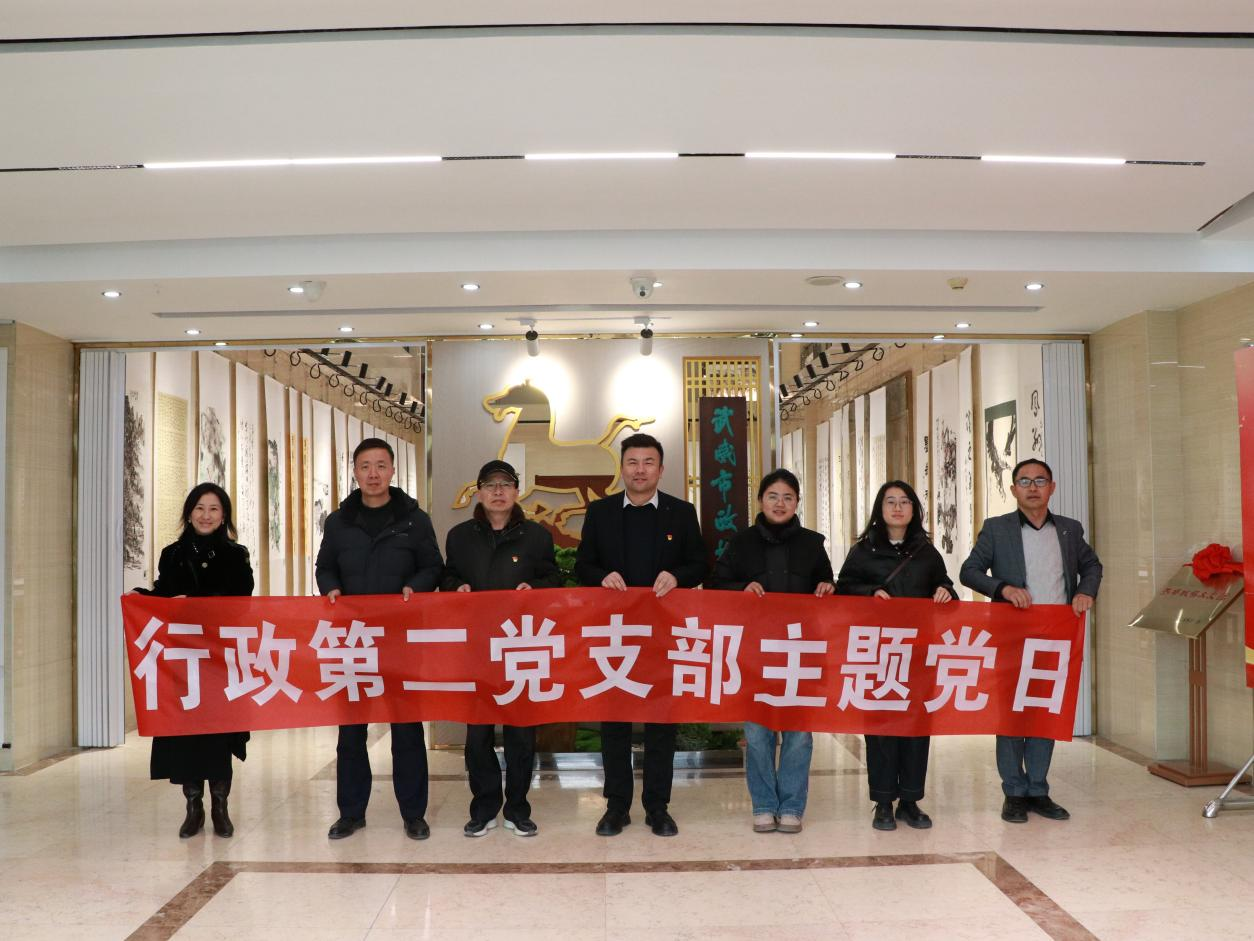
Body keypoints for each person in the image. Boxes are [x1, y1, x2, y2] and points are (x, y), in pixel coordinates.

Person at [575, 432, 708, 837]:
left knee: (660, 721)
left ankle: (657, 807)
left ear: (661, 469)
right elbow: (583, 565)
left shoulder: (681, 513)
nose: (640, 470)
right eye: (632, 462)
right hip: (614, 635)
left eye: (648, 462)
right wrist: (601, 576)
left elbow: (700, 563)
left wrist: (678, 576)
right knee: (614, 721)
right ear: (622, 468)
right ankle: (616, 806)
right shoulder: (600, 512)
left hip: (664, 634)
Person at [960, 457, 1102, 824]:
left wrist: (1085, 591)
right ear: (1013, 490)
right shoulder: (997, 529)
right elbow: (969, 571)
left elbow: (1092, 566)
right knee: (1011, 715)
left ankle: (1038, 789)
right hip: (1011, 636)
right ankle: (1014, 791)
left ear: (1052, 488)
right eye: (1024, 481)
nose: (1033, 487)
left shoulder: (1069, 529)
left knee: (1043, 713)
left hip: (1055, 638)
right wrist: (1002, 589)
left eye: (1040, 480)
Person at [315, 437, 443, 841]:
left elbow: (433, 566)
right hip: (352, 640)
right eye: (365, 466)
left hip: (401, 639)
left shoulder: (414, 519)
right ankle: (351, 813)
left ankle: (414, 814)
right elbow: (324, 567)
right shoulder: (339, 522)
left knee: (406, 728)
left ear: (392, 470)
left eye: (381, 465)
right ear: (354, 472)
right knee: (351, 730)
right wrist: (331, 588)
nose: (373, 474)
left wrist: (414, 587)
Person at [709, 468, 834, 834]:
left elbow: (828, 583)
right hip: (756, 651)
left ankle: (792, 805)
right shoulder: (741, 542)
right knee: (758, 733)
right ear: (761, 501)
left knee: (799, 733)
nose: (780, 503)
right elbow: (716, 585)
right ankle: (763, 805)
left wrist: (827, 587)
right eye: (773, 496)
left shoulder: (812, 544)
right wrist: (741, 588)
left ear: (797, 503)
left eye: (788, 497)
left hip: (801, 650)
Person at [442, 459, 562, 838]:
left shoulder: (536, 536)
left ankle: (518, 807)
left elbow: (553, 579)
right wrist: (456, 587)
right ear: (478, 492)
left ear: (516, 491)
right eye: (490, 485)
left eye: (505, 485)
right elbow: (447, 575)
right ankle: (483, 807)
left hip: (520, 646)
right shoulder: (460, 536)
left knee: (521, 733)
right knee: (477, 735)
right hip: (476, 647)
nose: (498, 491)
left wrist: (535, 589)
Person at [133, 482, 253, 839]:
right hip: (182, 660)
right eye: (199, 508)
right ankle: (193, 807)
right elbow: (163, 594)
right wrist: (142, 599)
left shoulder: (236, 555)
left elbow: (242, 600)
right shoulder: (172, 554)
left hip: (219, 659)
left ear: (224, 516)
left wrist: (197, 603)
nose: (206, 515)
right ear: (189, 513)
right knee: (186, 735)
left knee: (218, 735)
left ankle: (220, 807)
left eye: (214, 509)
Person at [836, 480, 954, 832]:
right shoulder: (863, 551)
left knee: (916, 727)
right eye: (890, 501)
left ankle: (910, 801)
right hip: (878, 652)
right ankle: (884, 801)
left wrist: (944, 590)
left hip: (918, 653)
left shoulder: (926, 552)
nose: (898, 508)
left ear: (914, 509)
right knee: (881, 728)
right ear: (880, 509)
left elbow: (946, 586)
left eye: (905, 501)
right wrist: (870, 591)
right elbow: (843, 590)